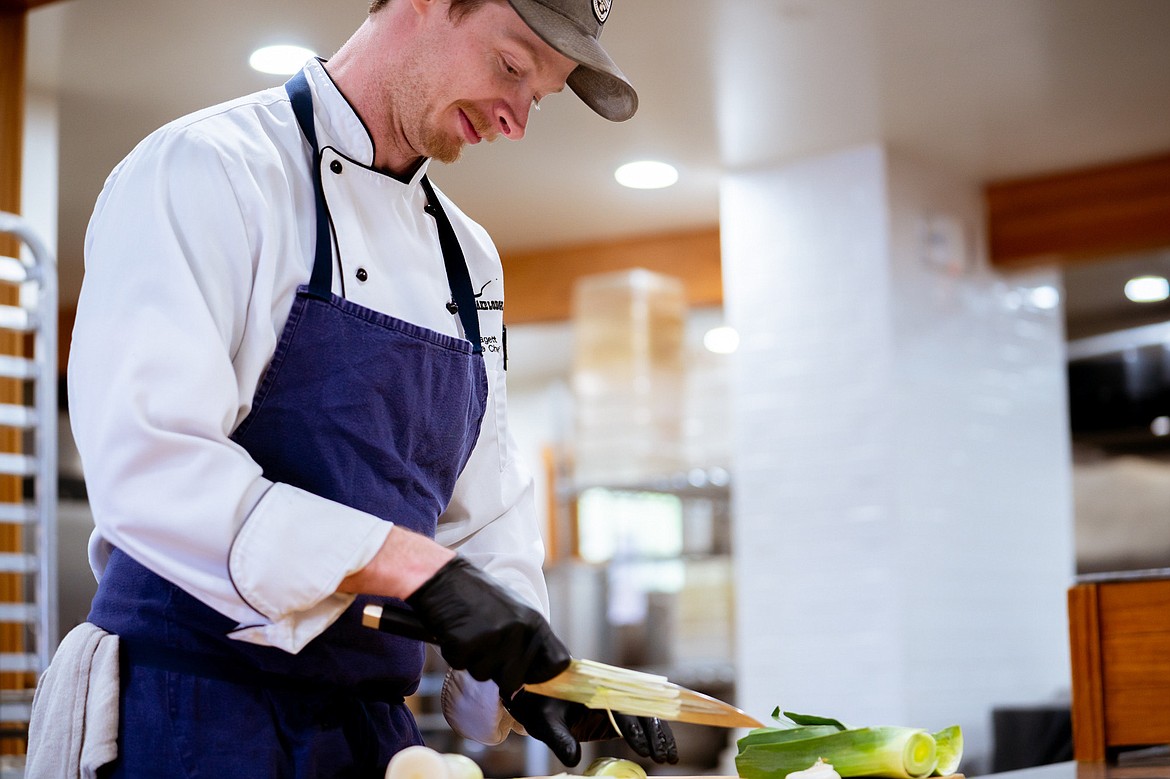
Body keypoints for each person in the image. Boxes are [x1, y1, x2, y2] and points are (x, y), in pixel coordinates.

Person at [46, 0, 678, 775]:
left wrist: (530, 666)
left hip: (371, 741)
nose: (517, 121)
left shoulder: (469, 258)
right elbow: (151, 464)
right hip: (191, 714)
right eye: (512, 68)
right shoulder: (207, 168)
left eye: (538, 97)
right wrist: (419, 571)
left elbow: (488, 515)